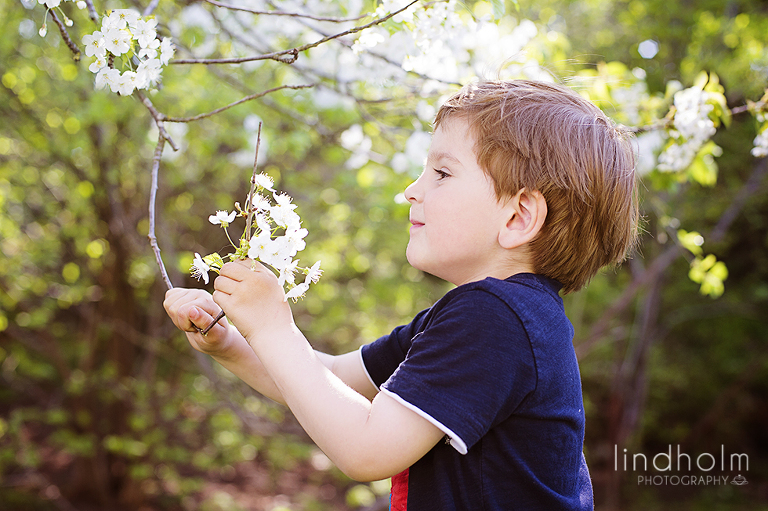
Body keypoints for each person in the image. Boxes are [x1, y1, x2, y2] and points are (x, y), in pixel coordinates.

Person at [164, 79, 639, 510]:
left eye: (442, 173)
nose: (411, 190)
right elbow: (331, 379)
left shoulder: (494, 320)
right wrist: (230, 342)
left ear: (517, 217)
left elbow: (366, 449)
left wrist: (272, 324)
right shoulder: (492, 316)